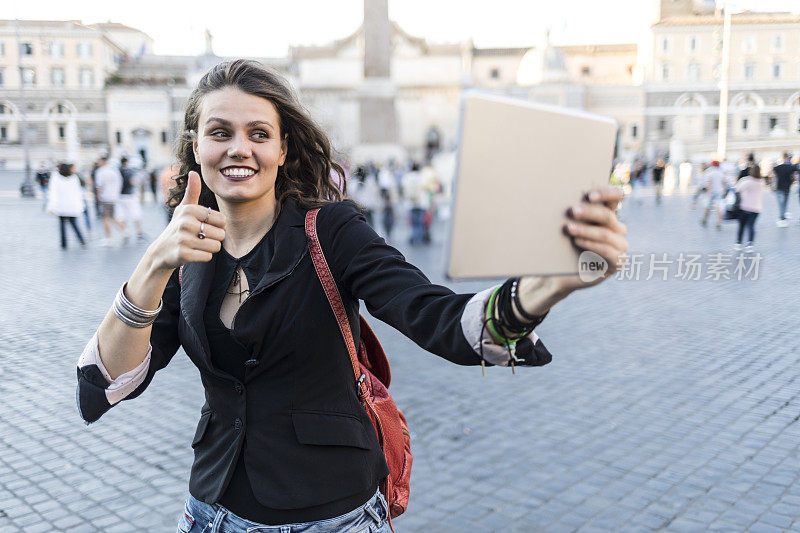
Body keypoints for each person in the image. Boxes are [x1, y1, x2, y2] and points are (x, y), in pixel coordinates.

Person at [74, 59, 628, 533]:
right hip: (210, 509)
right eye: (220, 132)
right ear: (196, 146)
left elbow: (438, 318)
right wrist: (152, 266)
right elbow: (108, 386)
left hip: (328, 513)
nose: (239, 148)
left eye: (259, 134)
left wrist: (552, 282)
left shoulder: (331, 231)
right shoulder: (183, 252)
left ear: (284, 148)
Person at [46, 162, 86, 249]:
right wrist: (80, 205)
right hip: (71, 206)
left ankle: (64, 244)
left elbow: (53, 193)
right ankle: (82, 240)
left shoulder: (56, 178)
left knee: (62, 226)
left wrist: (52, 206)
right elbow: (78, 192)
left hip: (61, 206)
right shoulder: (74, 178)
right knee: (74, 224)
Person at [94, 155, 126, 246]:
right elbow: (120, 182)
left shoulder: (100, 172)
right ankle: (124, 231)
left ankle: (109, 238)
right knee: (111, 217)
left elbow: (99, 187)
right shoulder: (114, 171)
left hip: (105, 198)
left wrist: (98, 198)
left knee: (105, 218)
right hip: (113, 197)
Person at [116, 156, 148, 243]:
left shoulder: (117, 171)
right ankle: (139, 234)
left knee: (122, 216)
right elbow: (134, 182)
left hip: (120, 196)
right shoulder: (130, 171)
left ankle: (125, 233)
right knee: (136, 215)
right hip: (130, 195)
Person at [734, 164, 764, 251]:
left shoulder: (746, 180)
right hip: (756, 207)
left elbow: (737, 189)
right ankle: (750, 243)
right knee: (751, 226)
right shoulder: (761, 181)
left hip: (745, 206)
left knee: (741, 226)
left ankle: (738, 242)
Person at [771, 153, 798, 227]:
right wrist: (792, 182)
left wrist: (772, 186)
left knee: (781, 203)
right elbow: (794, 176)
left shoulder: (777, 167)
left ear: (782, 158)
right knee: (785, 202)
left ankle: (782, 217)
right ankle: (783, 215)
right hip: (787, 187)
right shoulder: (792, 167)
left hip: (779, 187)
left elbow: (773, 177)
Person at [700, 160, 727, 229]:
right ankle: (718, 222)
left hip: (712, 192)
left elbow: (708, 184)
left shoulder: (710, 173)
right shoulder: (721, 173)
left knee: (708, 207)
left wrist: (708, 193)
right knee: (718, 207)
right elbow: (724, 183)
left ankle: (705, 219)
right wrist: (725, 192)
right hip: (720, 191)